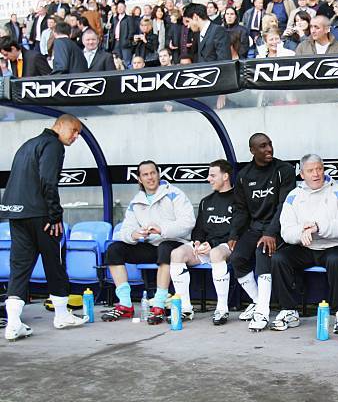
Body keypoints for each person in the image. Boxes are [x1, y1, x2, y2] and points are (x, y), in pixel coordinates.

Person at [0, 115, 87, 341]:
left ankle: (13, 324)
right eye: (74, 130)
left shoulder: (28, 144)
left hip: (16, 213)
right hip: (40, 214)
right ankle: (61, 315)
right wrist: (55, 215)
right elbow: (48, 181)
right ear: (59, 125)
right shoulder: (53, 144)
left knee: (19, 268)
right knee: (54, 262)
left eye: (79, 132)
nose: (76, 135)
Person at [102, 161, 195, 324]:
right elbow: (124, 230)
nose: (150, 177)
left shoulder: (174, 194)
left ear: (158, 174)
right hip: (150, 246)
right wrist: (134, 234)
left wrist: (162, 229)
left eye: (153, 173)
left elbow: (188, 223)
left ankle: (158, 305)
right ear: (139, 179)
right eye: (145, 174)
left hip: (175, 243)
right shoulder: (136, 201)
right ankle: (125, 304)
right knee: (114, 249)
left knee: (166, 248)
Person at [272, 154, 338, 332]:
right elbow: (286, 230)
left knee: (336, 260)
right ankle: (289, 310)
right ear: (302, 174)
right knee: (279, 258)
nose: (316, 174)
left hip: (335, 245)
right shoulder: (293, 196)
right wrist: (300, 233)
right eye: (310, 171)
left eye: (319, 169)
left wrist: (318, 226)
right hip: (306, 246)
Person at [228, 133, 296, 332]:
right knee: (237, 258)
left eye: (270, 145)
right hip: (255, 228)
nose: (268, 149)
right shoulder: (243, 175)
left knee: (263, 251)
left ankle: (262, 312)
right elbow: (240, 209)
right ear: (252, 150)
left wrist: (271, 232)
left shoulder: (284, 170)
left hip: (280, 228)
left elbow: (285, 206)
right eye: (262, 146)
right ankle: (259, 301)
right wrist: (234, 234)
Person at [170, 160, 234, 326]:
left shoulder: (239, 200)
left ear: (225, 176)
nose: (208, 179)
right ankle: (185, 308)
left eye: (213, 175)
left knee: (216, 253)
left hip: (228, 246)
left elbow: (237, 230)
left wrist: (212, 244)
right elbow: (199, 229)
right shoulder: (207, 201)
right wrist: (198, 242)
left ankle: (221, 309)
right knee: (177, 254)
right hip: (207, 247)